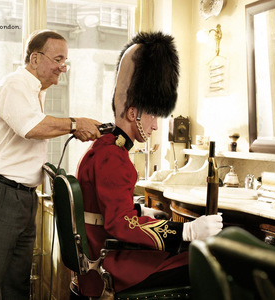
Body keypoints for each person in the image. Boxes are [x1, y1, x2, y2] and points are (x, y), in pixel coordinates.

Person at [76, 32, 223, 297]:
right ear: (134, 113)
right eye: (153, 115)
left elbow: (106, 207)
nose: (155, 125)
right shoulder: (113, 157)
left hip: (104, 256)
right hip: (115, 266)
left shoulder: (106, 147)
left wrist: (141, 210)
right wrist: (188, 229)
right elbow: (119, 224)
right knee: (209, 260)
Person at [0, 29, 101, 300]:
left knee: (17, 286)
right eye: (58, 59)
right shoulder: (14, 85)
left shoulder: (36, 92)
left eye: (66, 61)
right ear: (36, 58)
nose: (63, 67)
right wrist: (75, 124)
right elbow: (31, 128)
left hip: (24, 199)